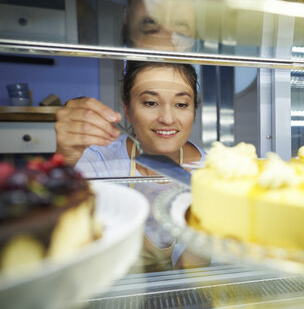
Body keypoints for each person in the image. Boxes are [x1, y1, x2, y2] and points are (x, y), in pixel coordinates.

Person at [55, 60, 209, 271]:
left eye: (181, 104)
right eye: (150, 103)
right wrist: (65, 158)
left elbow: (198, 274)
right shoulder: (99, 159)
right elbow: (56, 230)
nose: (167, 118)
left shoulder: (211, 172)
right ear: (127, 110)